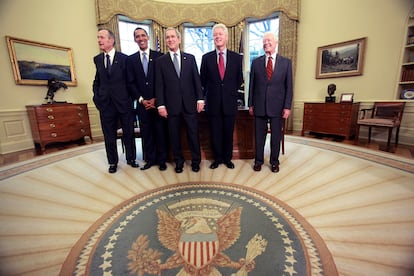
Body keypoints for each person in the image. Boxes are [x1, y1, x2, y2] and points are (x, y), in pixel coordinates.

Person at [155, 27, 204, 173]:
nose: (170, 39)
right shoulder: (160, 61)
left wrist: (200, 99)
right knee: (174, 135)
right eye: (168, 37)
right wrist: (160, 105)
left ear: (179, 39)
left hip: (189, 104)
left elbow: (196, 80)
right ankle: (179, 161)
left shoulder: (190, 58)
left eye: (173, 37)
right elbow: (159, 85)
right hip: (171, 105)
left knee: (193, 134)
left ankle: (196, 161)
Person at [92, 28, 139, 173]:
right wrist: (97, 97)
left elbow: (130, 81)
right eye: (98, 37)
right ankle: (112, 162)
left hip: (124, 103)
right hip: (105, 105)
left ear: (111, 40)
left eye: (102, 37)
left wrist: (130, 100)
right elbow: (97, 81)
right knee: (109, 135)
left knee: (129, 132)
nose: (99, 40)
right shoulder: (98, 59)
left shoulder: (125, 59)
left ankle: (131, 159)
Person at [248, 32, 293, 173]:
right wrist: (250, 104)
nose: (266, 43)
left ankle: (274, 161)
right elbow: (252, 86)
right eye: (264, 41)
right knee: (259, 136)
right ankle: (258, 161)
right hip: (259, 105)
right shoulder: (255, 62)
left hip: (278, 107)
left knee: (276, 137)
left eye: (269, 40)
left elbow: (289, 86)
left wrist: (287, 106)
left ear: (276, 42)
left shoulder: (286, 63)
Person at [200, 23, 243, 170]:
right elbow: (203, 81)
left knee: (228, 133)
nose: (218, 37)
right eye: (215, 35)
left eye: (220, 34)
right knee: (215, 133)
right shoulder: (206, 58)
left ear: (226, 37)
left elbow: (239, 80)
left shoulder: (237, 58)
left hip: (229, 103)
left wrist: (229, 93)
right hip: (213, 103)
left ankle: (227, 158)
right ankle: (217, 159)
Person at [127, 27, 168, 171]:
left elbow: (164, 80)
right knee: (147, 133)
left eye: (143, 35)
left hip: (158, 103)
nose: (141, 38)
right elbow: (130, 83)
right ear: (135, 40)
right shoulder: (130, 60)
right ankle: (150, 160)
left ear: (148, 37)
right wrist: (141, 100)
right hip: (142, 104)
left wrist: (156, 99)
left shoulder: (160, 56)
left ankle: (162, 160)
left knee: (160, 132)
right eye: (137, 36)